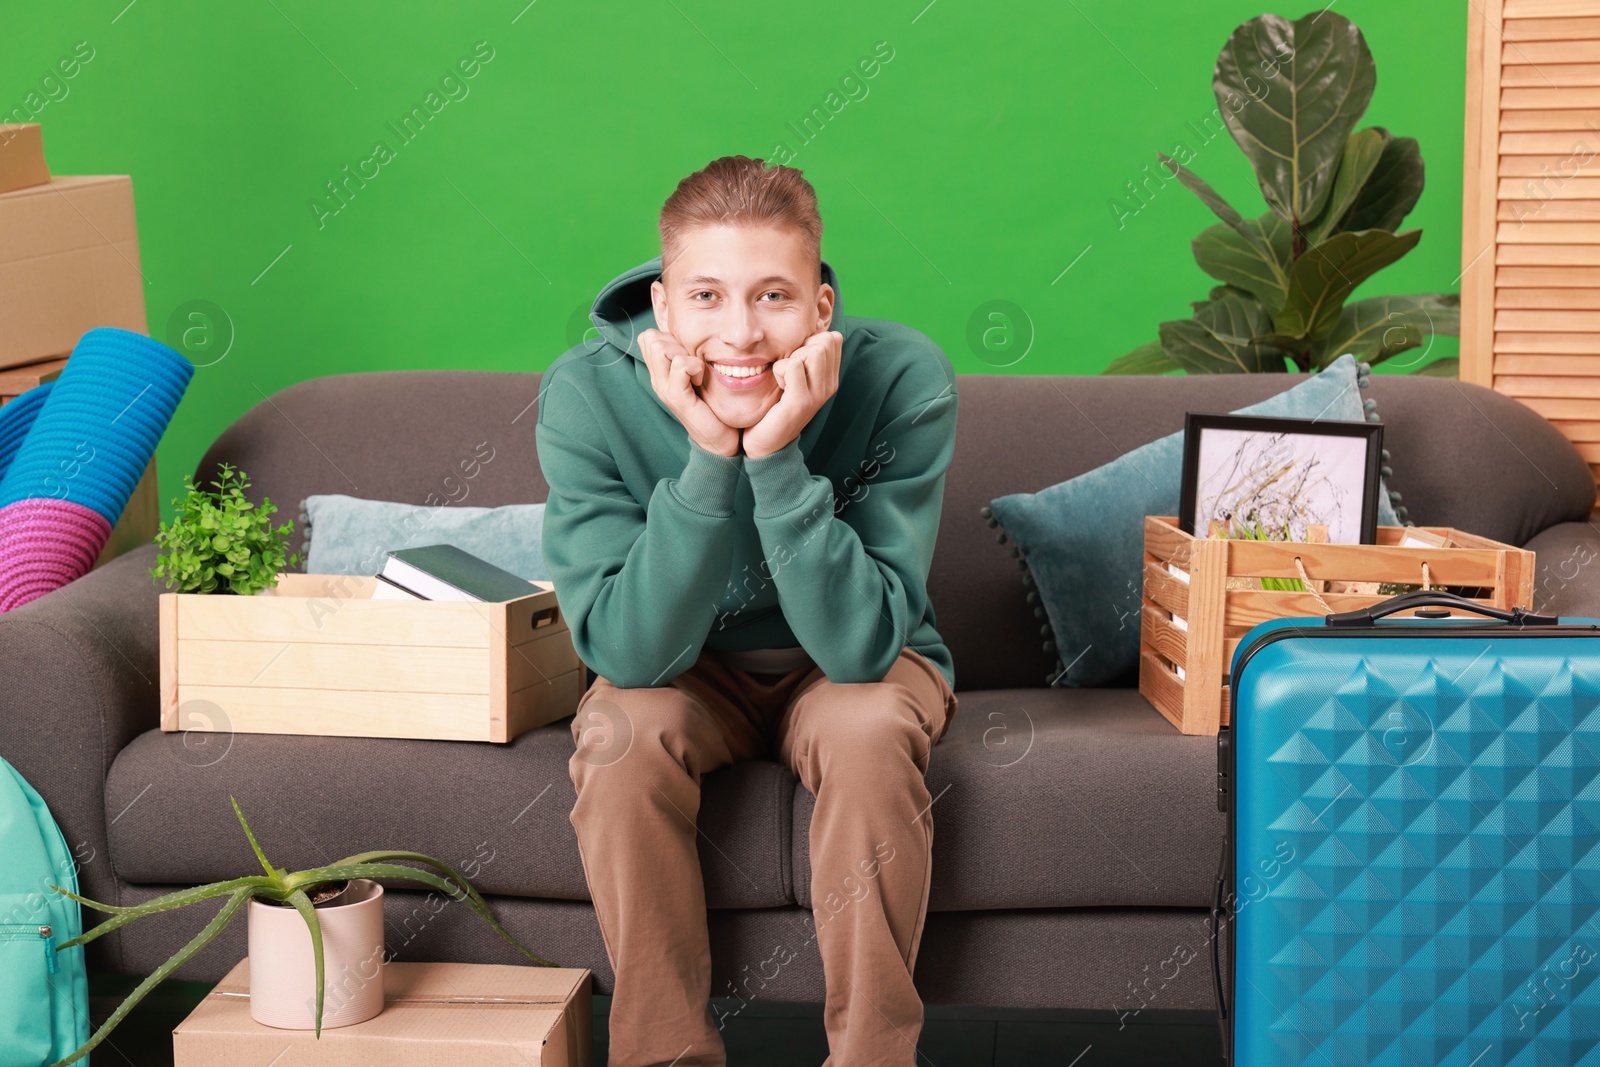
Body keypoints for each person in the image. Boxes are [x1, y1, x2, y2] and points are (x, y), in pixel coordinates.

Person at [536, 153, 959, 1067]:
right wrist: (705, 458)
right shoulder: (584, 393)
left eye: (773, 296)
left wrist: (774, 458)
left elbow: (861, 647)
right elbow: (626, 651)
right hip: (683, 669)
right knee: (619, 733)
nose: (741, 334)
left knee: (866, 730)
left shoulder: (904, 379)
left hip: (854, 660)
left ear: (821, 308)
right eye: (707, 297)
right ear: (662, 309)